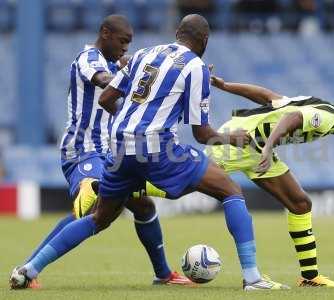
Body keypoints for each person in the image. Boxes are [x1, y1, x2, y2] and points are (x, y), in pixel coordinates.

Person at [10, 14, 290, 291]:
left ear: (178, 33)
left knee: (99, 218)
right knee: (230, 190)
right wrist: (233, 139)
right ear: (204, 40)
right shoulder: (196, 67)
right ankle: (253, 279)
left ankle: (29, 269)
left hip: (118, 147)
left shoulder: (144, 54)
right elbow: (202, 134)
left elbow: (107, 98)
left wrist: (133, 124)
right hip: (155, 148)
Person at [10, 14, 190, 289]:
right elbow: (105, 79)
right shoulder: (89, 58)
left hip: (109, 152)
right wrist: (131, 81)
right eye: (123, 41)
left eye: (129, 43)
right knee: (91, 208)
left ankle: (163, 274)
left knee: (143, 206)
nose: (125, 48)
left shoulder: (116, 62)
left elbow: (135, 70)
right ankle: (27, 271)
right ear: (105, 33)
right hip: (83, 150)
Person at [203, 75, 334, 287]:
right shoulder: (327, 118)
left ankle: (310, 277)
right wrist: (269, 148)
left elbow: (269, 97)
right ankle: (150, 187)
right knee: (184, 182)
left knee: (300, 203)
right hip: (238, 142)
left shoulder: (324, 110)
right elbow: (292, 119)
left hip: (255, 148)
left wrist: (226, 86)